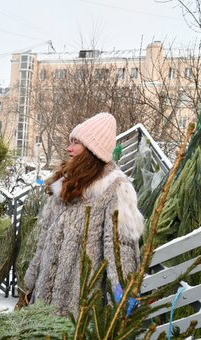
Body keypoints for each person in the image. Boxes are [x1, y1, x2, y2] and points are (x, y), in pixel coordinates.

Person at [22, 112, 144, 317]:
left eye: (77, 143)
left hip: (79, 312)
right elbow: (43, 241)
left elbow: (119, 249)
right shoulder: (65, 185)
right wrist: (29, 284)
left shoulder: (115, 189)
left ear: (93, 150)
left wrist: (124, 296)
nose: (69, 148)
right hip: (41, 305)